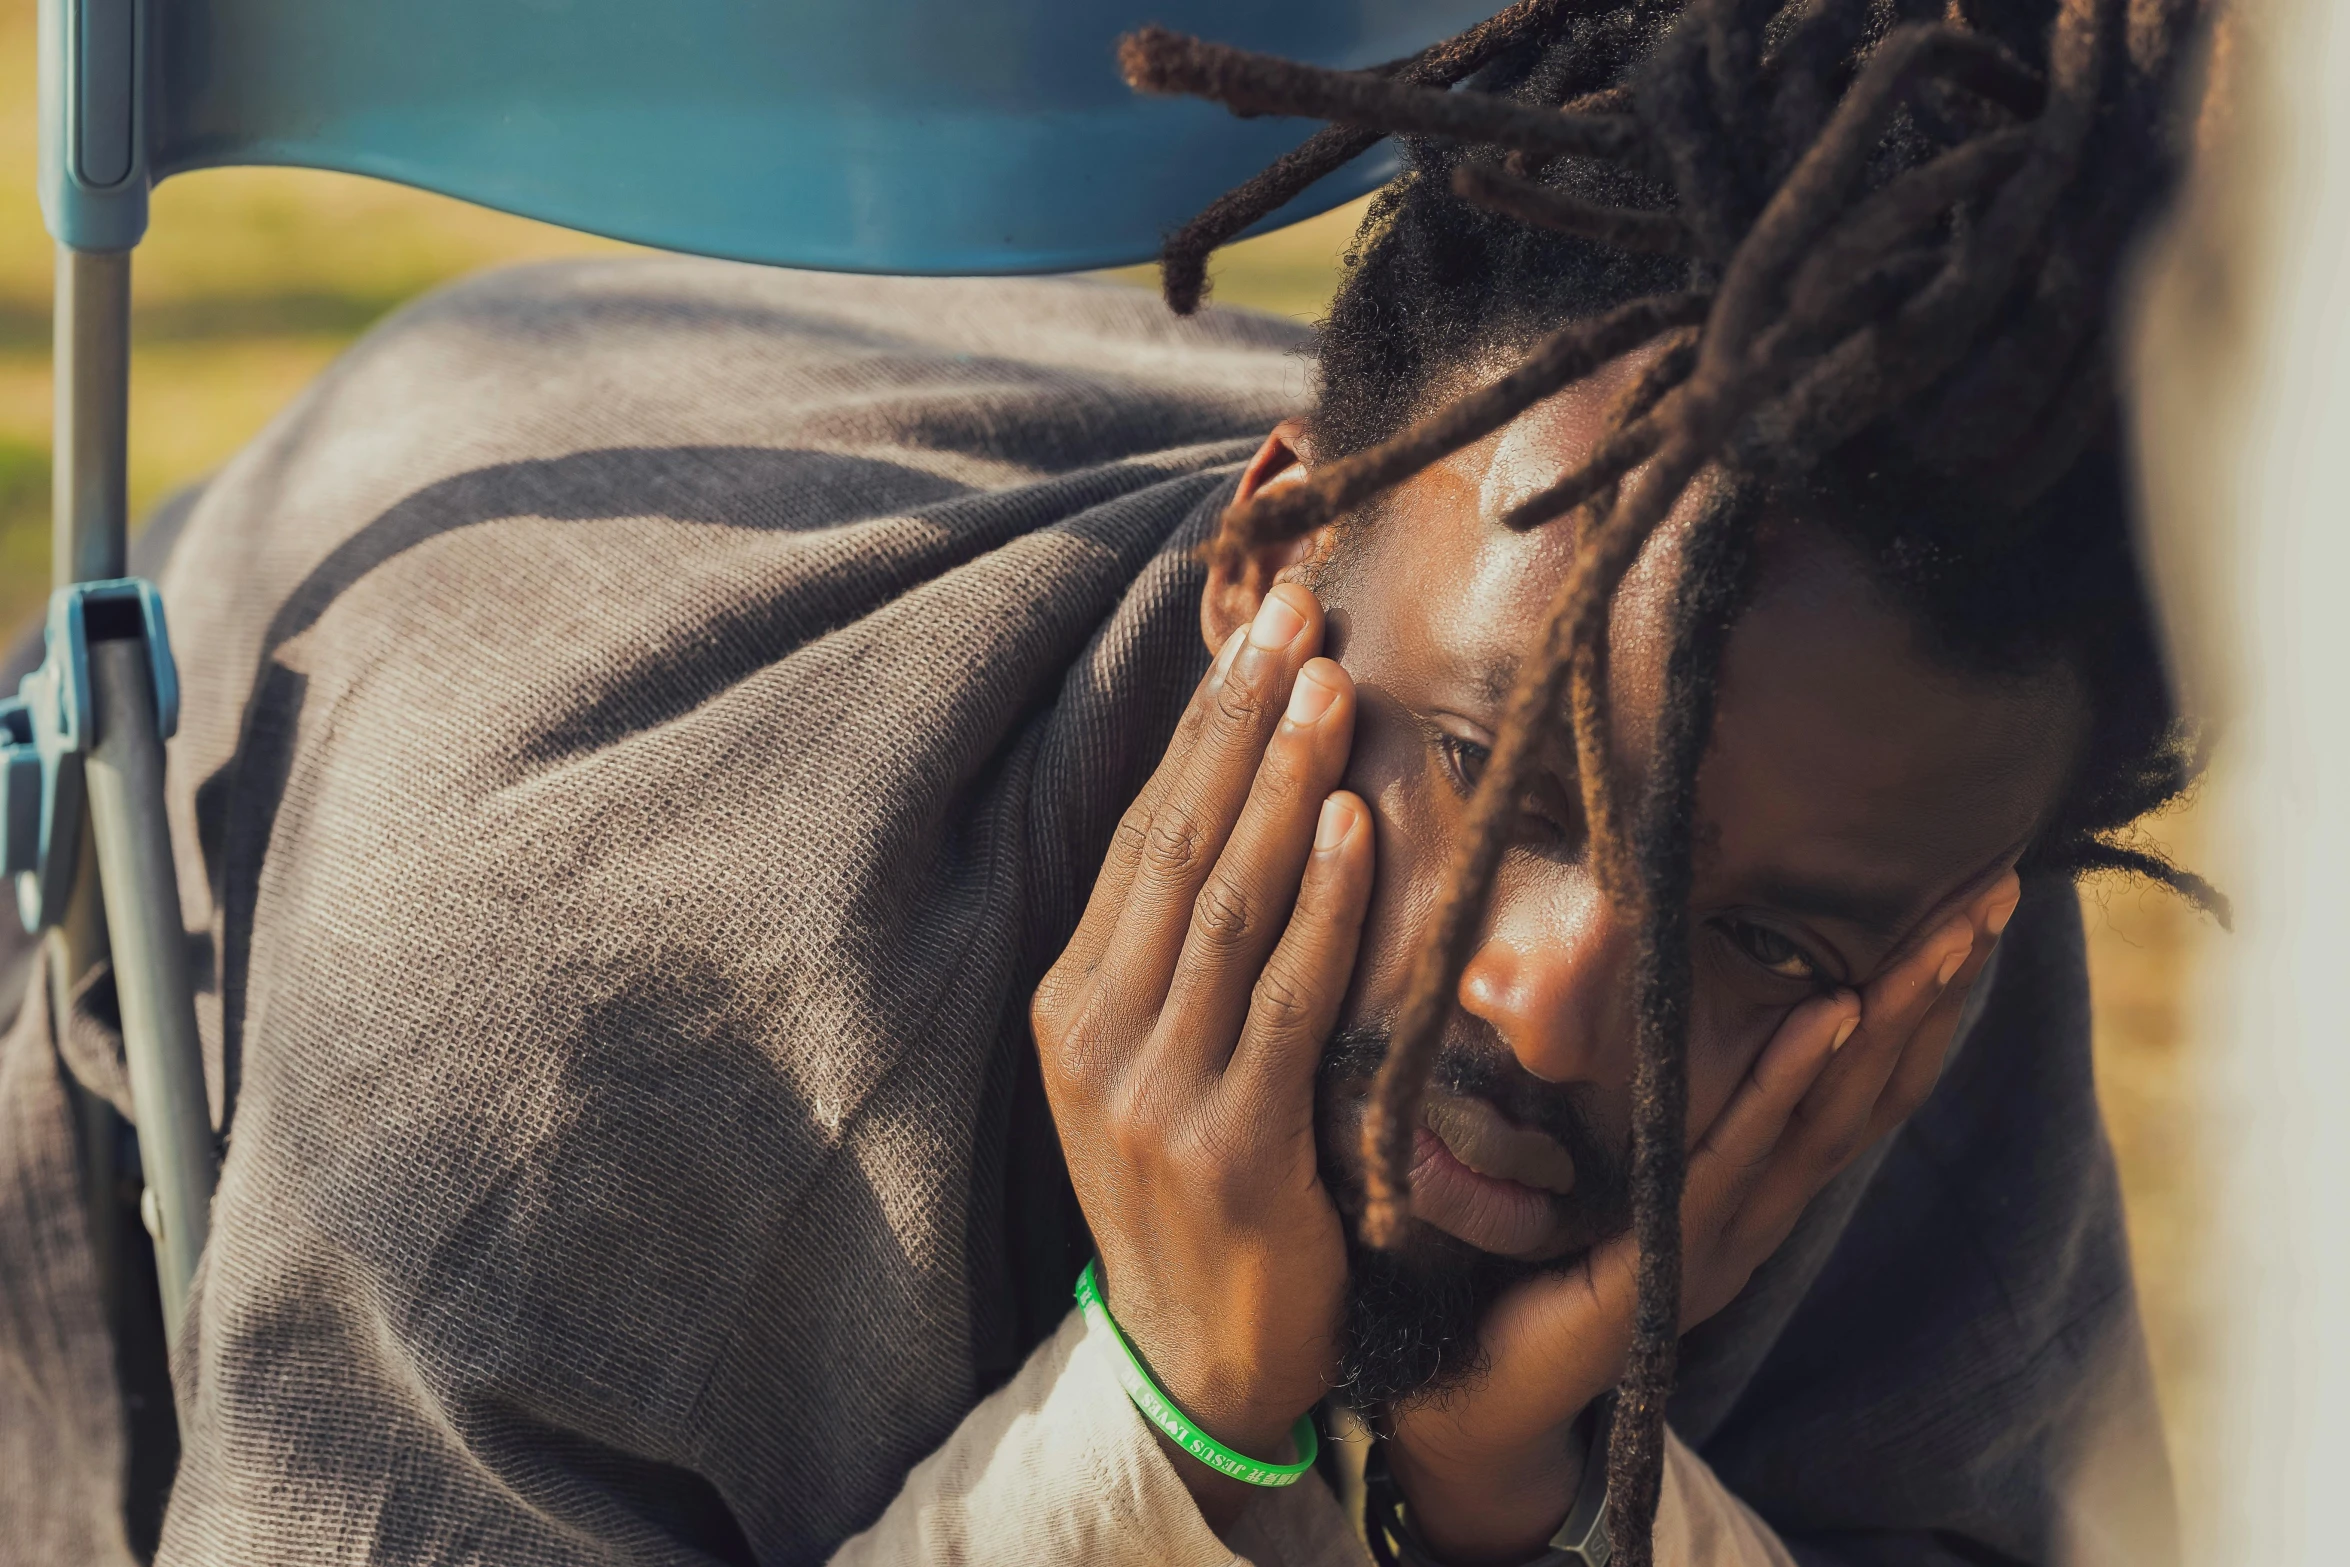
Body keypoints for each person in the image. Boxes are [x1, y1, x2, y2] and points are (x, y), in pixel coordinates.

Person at [0, 0, 2214, 1563]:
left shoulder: (1890, 926)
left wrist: (1512, 1504)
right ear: (1270, 561)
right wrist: (1163, 1436)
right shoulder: (560, 1015)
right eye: (1489, 769)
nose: (1554, 1002)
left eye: (1745, 933)